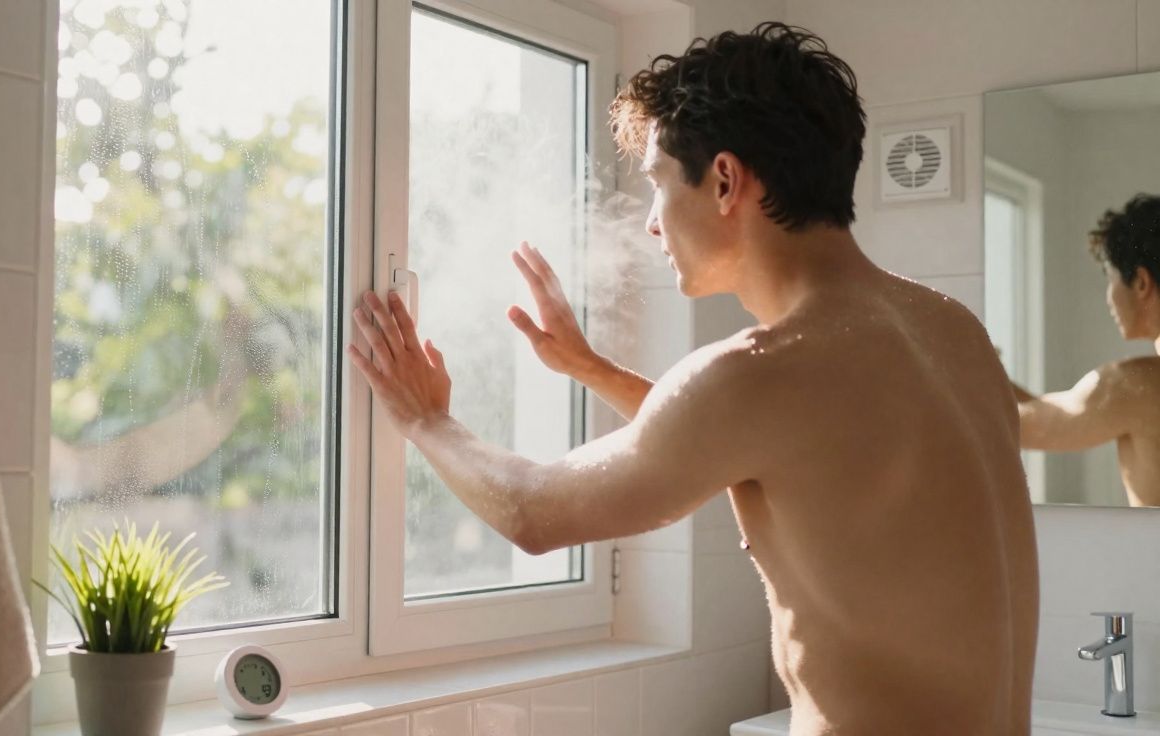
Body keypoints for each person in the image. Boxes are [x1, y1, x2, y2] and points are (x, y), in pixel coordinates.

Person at [347, 22, 1037, 735]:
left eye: (658, 183)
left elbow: (533, 512)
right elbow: (778, 445)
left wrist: (426, 420)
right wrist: (591, 368)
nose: (652, 223)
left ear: (725, 181)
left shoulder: (762, 373)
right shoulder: (951, 331)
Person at [1014, 194, 1160, 507]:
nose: (1109, 297)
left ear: (1141, 282)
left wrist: (971, 361)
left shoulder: (1134, 385)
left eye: (1110, 278)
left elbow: (1020, 425)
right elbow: (1049, 411)